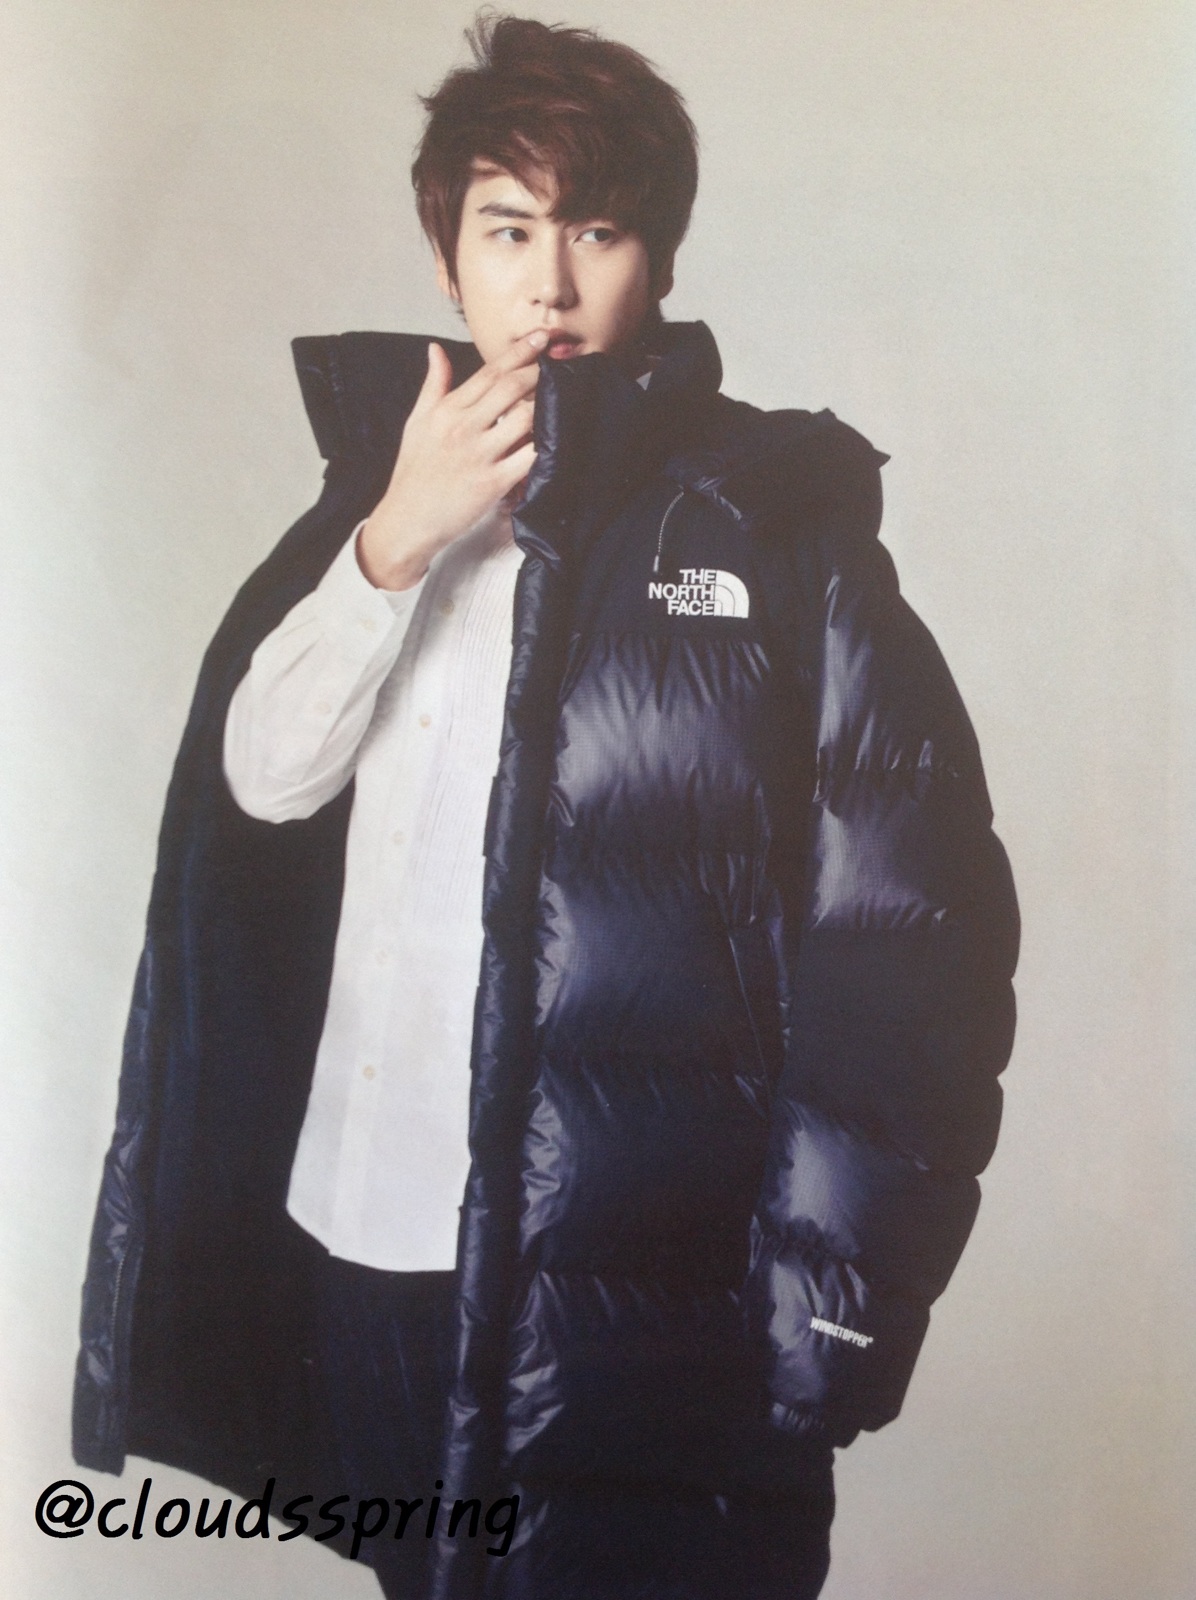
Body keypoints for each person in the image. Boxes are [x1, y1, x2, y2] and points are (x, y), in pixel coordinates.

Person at [73, 14, 1019, 1600]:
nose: (552, 284)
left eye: (598, 231)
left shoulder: (777, 532)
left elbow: (910, 947)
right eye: (509, 230)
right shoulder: (373, 507)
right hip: (369, 1249)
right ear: (448, 257)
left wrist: (838, 1303)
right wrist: (394, 541)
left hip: (627, 1292)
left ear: (662, 258)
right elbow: (264, 782)